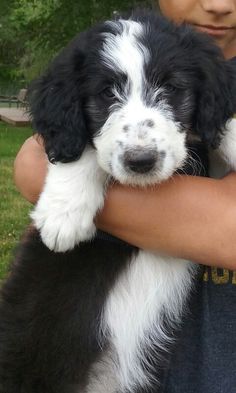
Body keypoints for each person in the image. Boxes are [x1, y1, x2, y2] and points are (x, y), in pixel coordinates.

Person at [14, 1, 236, 392]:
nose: (217, 5)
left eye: (169, 90)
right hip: (62, 360)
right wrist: (75, 169)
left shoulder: (206, 76)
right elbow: (37, 157)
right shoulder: (77, 81)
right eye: (106, 94)